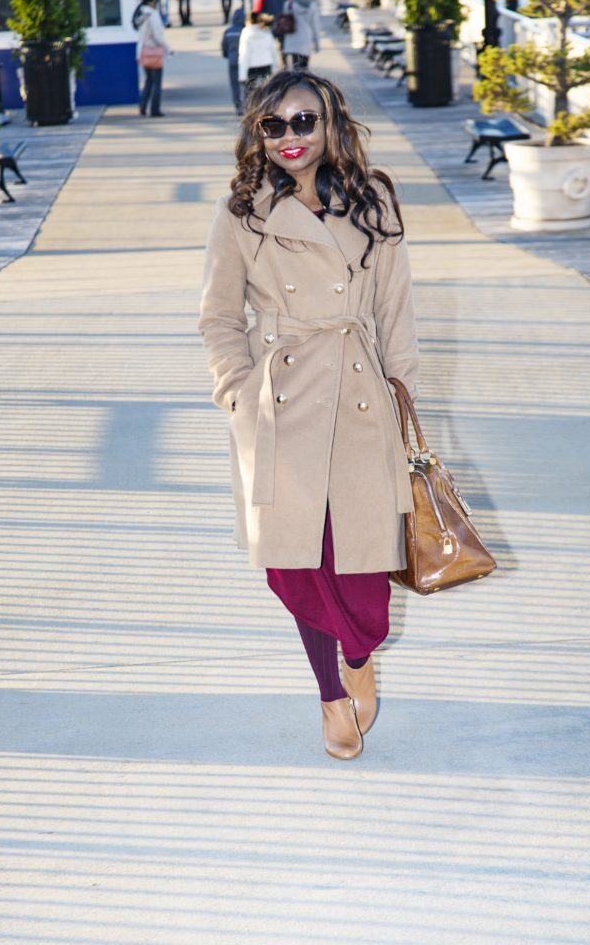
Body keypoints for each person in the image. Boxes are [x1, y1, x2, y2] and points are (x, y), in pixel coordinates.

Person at [198, 70, 418, 760]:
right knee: (298, 564)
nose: (290, 137)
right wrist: (237, 389)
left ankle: (358, 656)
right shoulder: (242, 213)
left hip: (357, 400)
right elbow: (217, 317)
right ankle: (330, 695)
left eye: (304, 121)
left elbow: (395, 313)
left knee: (361, 572)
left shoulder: (372, 198)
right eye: (274, 125)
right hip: (279, 404)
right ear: (256, 135)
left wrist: (404, 405)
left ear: (329, 126)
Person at [135, 0, 171, 117]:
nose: (156, 4)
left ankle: (143, 105)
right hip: (154, 51)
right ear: (151, 2)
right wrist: (167, 48)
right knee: (157, 82)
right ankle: (155, 109)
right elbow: (157, 35)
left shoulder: (141, 14)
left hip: (143, 51)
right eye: (155, 1)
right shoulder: (153, 15)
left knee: (148, 80)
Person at [237, 11, 276, 101]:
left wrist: (242, 76)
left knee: (250, 94)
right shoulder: (266, 31)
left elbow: (244, 54)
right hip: (266, 64)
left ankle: (251, 111)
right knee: (266, 91)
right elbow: (273, 50)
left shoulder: (246, 32)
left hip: (252, 67)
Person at [282, 0, 320, 70]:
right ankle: (303, 81)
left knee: (295, 66)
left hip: (292, 38)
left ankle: (297, 82)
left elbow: (284, 21)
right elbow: (315, 25)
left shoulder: (289, 4)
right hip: (306, 38)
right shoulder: (311, 5)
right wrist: (317, 42)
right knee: (304, 67)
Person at [222, 7, 246, 113]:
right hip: (244, 61)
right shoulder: (245, 30)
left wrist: (227, 55)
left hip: (232, 61)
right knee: (245, 84)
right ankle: (246, 104)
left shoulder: (228, 31)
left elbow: (224, 46)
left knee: (234, 84)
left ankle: (237, 104)